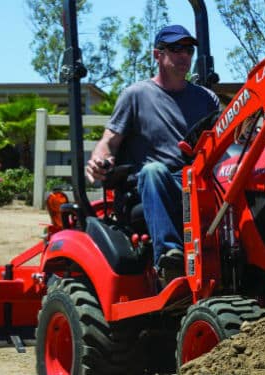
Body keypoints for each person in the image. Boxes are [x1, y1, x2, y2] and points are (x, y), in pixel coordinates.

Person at [86, 24, 220, 277]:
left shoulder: (206, 99)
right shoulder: (136, 95)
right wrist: (99, 161)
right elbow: (109, 142)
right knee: (153, 170)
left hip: (199, 180)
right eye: (175, 49)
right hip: (157, 184)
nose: (184, 56)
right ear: (157, 54)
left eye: (189, 50)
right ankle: (170, 259)